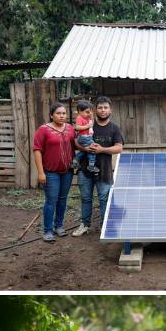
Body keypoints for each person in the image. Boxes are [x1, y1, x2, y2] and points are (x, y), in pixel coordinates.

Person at [72, 95, 124, 237]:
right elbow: (76, 141)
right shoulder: (87, 125)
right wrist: (85, 149)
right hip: (85, 170)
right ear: (94, 110)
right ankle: (85, 225)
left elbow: (119, 148)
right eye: (100, 107)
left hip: (104, 171)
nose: (103, 110)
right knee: (86, 198)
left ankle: (104, 226)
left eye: (105, 107)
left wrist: (102, 150)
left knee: (104, 199)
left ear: (110, 110)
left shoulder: (114, 128)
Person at [33, 102, 76, 243]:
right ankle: (47, 230)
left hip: (67, 171)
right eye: (58, 113)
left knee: (63, 199)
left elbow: (76, 145)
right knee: (51, 201)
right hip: (50, 172)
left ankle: (59, 226)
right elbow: (37, 150)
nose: (62, 116)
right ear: (52, 115)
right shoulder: (43, 130)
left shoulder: (70, 129)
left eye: (64, 113)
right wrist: (40, 172)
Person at [70, 100, 99, 175]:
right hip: (84, 137)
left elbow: (91, 124)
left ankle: (75, 162)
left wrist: (91, 117)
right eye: (87, 112)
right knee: (93, 149)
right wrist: (87, 126)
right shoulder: (80, 117)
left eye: (90, 112)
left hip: (87, 137)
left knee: (84, 151)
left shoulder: (87, 118)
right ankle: (91, 166)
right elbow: (77, 127)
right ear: (80, 111)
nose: (89, 113)